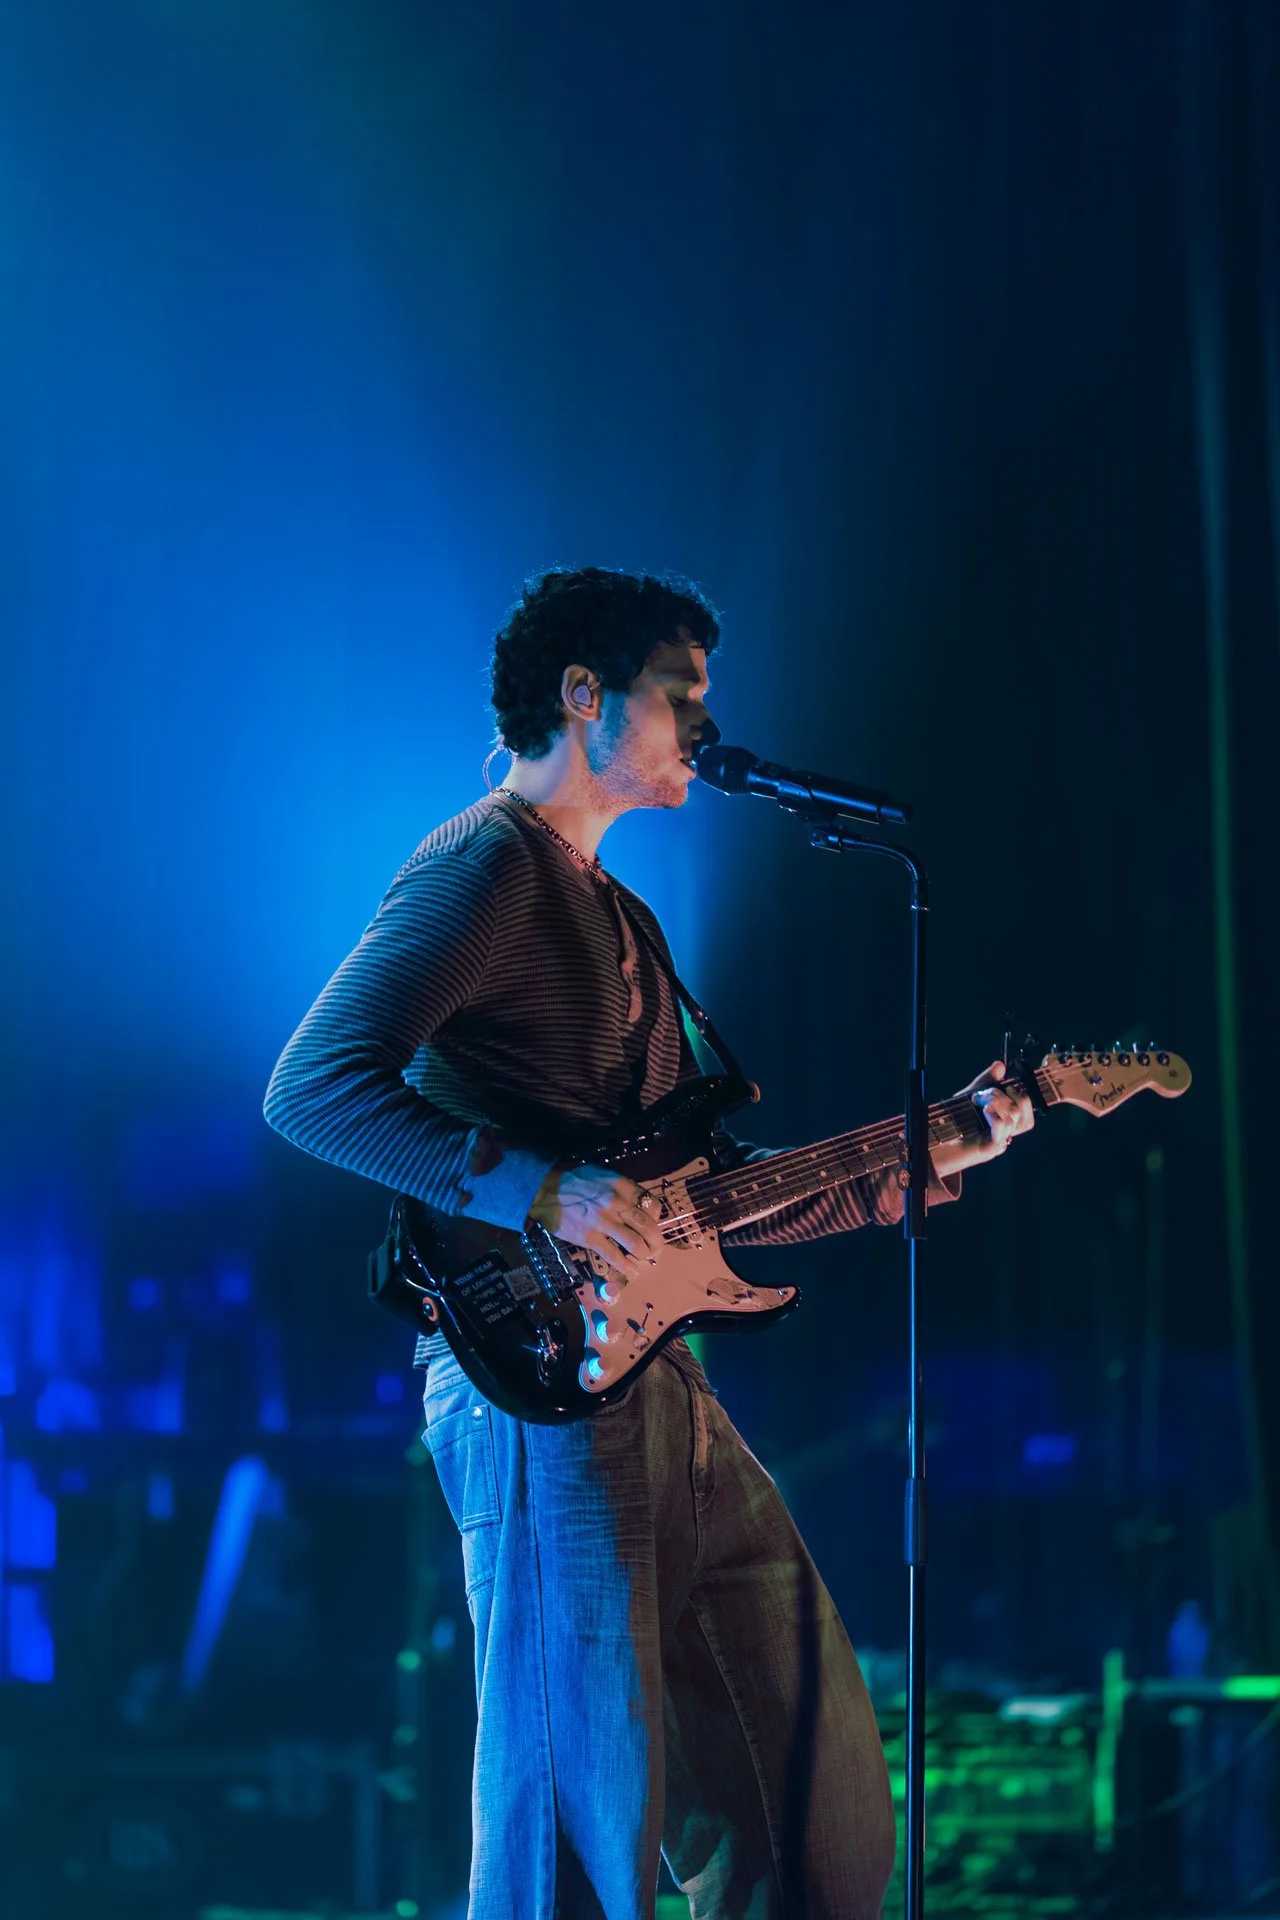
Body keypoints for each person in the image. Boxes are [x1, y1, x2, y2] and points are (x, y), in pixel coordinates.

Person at [264, 567, 1034, 1920]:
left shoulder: (626, 919)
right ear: (583, 694)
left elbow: (702, 1192)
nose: (703, 725)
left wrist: (920, 1160)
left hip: (663, 1386)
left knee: (815, 1809)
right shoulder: (486, 865)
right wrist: (531, 1188)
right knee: (577, 1824)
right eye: (683, 693)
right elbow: (312, 1086)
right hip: (535, 1393)